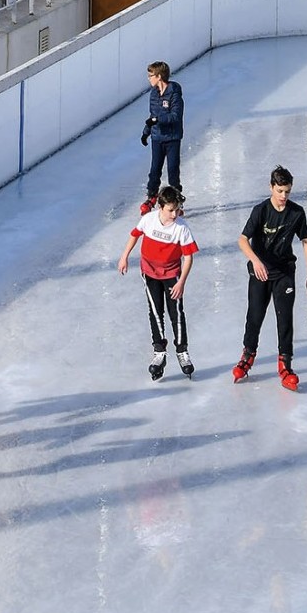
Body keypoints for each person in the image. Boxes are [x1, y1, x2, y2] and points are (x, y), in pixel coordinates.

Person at [234, 165, 307, 390]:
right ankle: (248, 355)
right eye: (279, 191)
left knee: (285, 319)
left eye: (287, 191)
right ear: (271, 187)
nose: (283, 196)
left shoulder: (296, 213)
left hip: (284, 273)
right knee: (255, 316)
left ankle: (285, 364)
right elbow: (242, 240)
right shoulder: (260, 210)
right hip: (260, 273)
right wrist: (256, 261)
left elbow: (306, 242)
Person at [118, 185, 199, 381]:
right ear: (160, 207)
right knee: (155, 311)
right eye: (171, 210)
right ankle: (159, 351)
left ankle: (182, 350)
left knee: (176, 313)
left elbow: (188, 258)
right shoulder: (148, 220)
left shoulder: (182, 228)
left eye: (177, 209)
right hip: (150, 273)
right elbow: (134, 235)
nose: (174, 214)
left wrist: (182, 283)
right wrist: (124, 256)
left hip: (172, 275)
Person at [140, 60, 184, 213]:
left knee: (173, 171)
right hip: (157, 138)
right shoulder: (153, 94)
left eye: (151, 75)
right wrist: (146, 132)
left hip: (172, 138)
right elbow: (152, 116)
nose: (149, 78)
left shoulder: (174, 94)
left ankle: (176, 200)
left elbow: (175, 116)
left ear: (159, 76)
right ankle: (152, 197)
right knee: (154, 170)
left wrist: (158, 120)